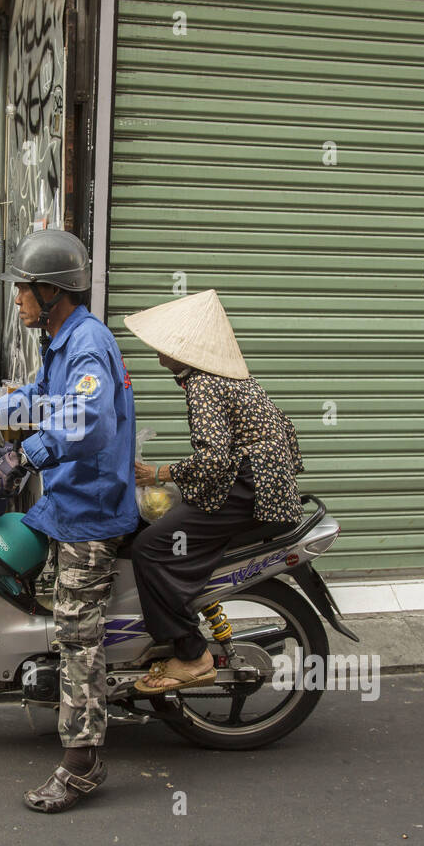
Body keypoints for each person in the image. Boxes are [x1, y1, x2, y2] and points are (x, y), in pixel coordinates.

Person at [0, 229, 138, 813]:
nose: (17, 298)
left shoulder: (88, 344)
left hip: (91, 511)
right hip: (66, 501)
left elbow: (90, 425)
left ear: (52, 291)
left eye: (23, 288)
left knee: (76, 633)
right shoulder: (62, 338)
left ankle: (82, 762)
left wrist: (27, 453)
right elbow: (46, 400)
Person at [123, 289, 304, 693]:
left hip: (248, 490)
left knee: (150, 548)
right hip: (260, 488)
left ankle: (191, 653)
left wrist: (159, 473)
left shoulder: (203, 384)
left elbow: (214, 461)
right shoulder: (229, 378)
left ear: (184, 348)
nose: (157, 348)